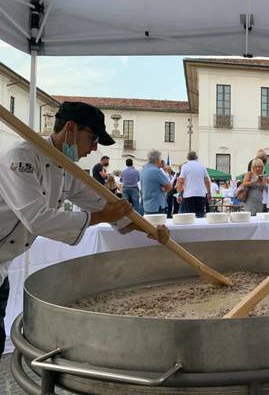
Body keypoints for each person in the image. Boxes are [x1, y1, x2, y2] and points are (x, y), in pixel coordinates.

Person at [0, 101, 169, 356]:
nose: (93, 148)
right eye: (92, 138)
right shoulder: (21, 158)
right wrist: (101, 216)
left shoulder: (67, 171)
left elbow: (105, 204)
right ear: (70, 128)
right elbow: (37, 218)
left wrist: (147, 228)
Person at [176, 151, 211, 218]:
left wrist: (179, 194)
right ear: (196, 158)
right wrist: (209, 193)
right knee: (199, 216)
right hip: (201, 195)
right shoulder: (202, 166)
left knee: (189, 218)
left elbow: (181, 181)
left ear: (187, 158)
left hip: (188, 195)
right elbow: (206, 181)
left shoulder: (185, 166)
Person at [141, 149, 172, 215]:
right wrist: (163, 189)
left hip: (147, 205)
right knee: (159, 224)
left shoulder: (143, 170)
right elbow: (169, 186)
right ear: (157, 160)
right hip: (157, 205)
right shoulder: (156, 171)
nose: (160, 161)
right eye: (160, 159)